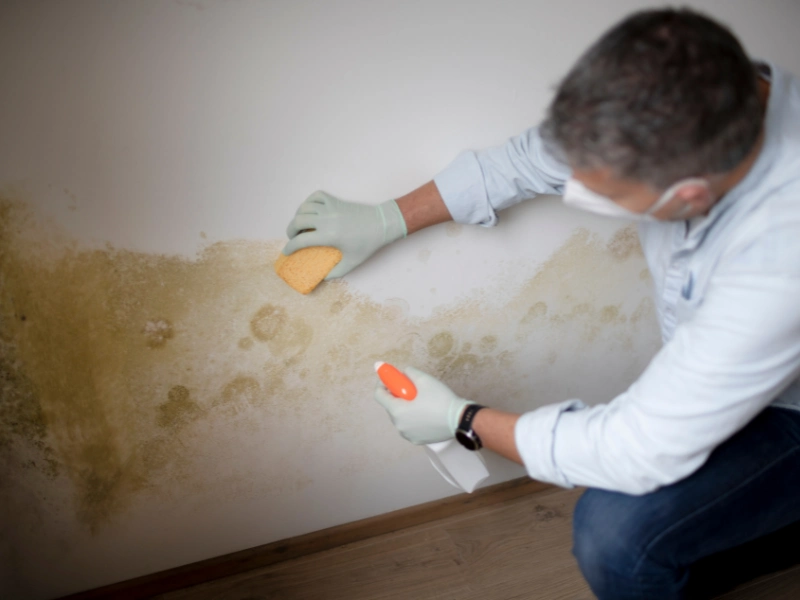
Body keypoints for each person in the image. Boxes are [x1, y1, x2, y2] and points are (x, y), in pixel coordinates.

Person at [282, 8, 800, 599]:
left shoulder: (780, 253)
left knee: (616, 537)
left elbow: (636, 448)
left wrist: (463, 420)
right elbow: (525, 162)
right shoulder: (670, 99)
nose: (572, 185)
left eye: (609, 196)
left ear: (689, 196)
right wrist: (386, 219)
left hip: (793, 406)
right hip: (741, 363)